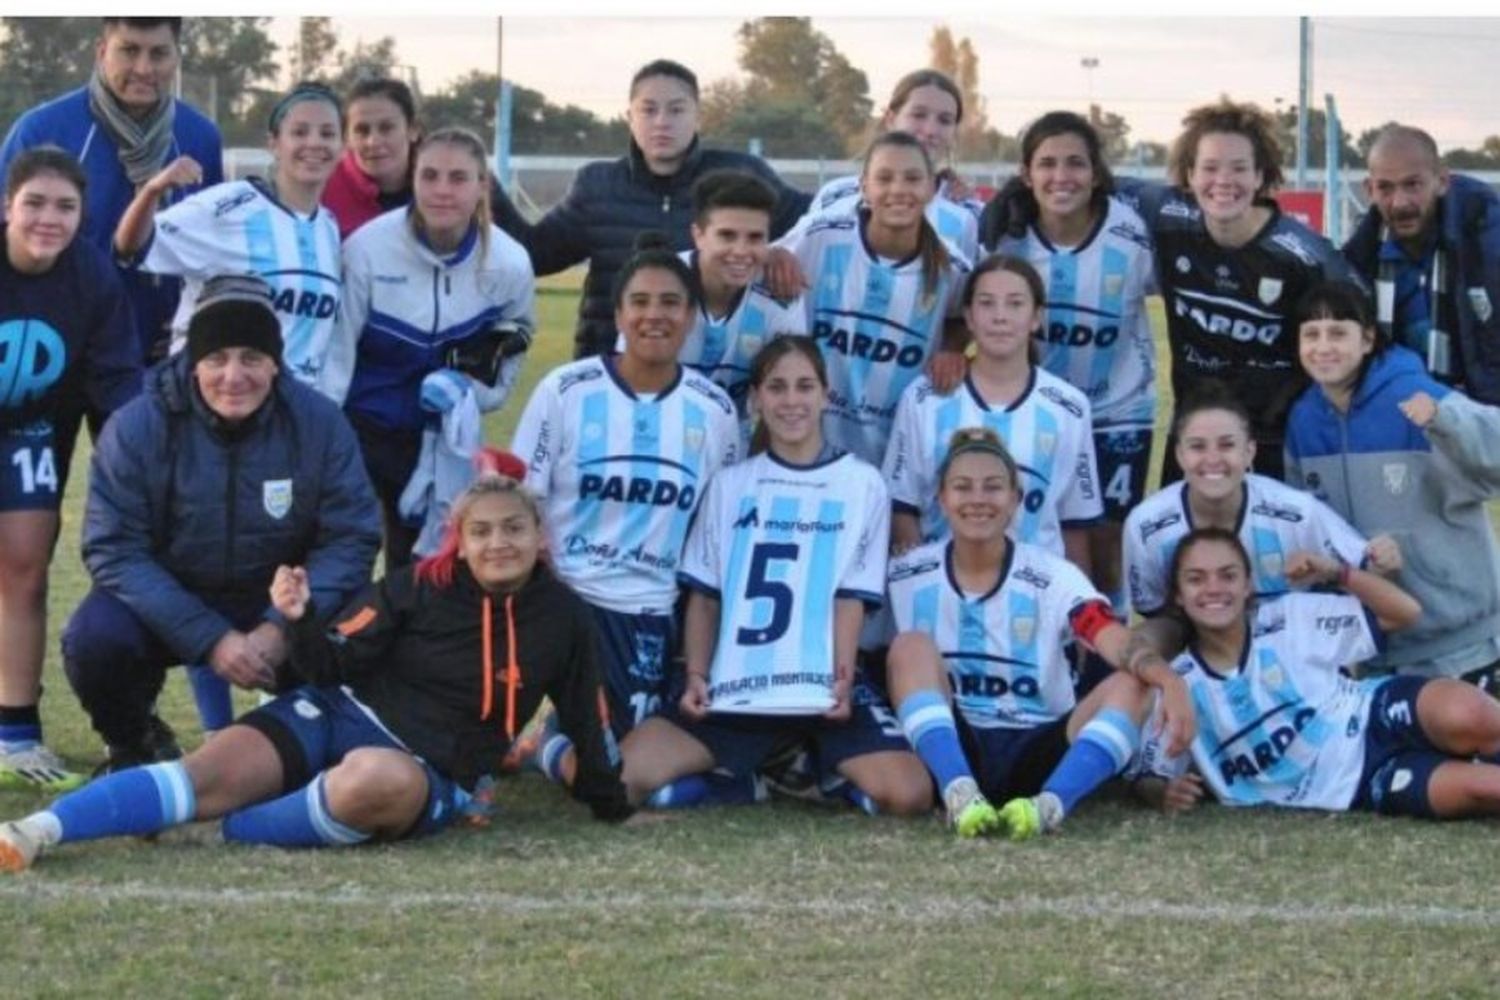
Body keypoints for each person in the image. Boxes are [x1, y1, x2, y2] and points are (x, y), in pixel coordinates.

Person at [0, 462, 632, 873]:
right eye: (483, 532)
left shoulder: (565, 617)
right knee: (205, 772)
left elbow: (582, 713)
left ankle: (240, 827)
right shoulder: (417, 587)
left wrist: (613, 807)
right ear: (458, 541)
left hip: (426, 769)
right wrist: (298, 617)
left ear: (539, 536)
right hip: (337, 714)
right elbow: (333, 662)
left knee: (372, 781)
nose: (500, 544)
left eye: (514, 529)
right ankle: (36, 830)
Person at [59, 274, 380, 773]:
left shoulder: (319, 423)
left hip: (280, 598)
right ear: (192, 363)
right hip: (176, 597)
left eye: (251, 358)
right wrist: (210, 638)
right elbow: (113, 549)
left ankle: (310, 736)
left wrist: (280, 626)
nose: (234, 376)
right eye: (216, 358)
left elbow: (353, 535)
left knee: (362, 623)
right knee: (95, 637)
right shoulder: (137, 426)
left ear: (276, 363)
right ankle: (133, 741)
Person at [620, 336, 932, 817]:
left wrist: (843, 680)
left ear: (825, 395)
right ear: (756, 399)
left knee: (909, 795)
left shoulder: (862, 483)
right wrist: (698, 675)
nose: (791, 401)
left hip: (819, 685)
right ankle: (748, 781)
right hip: (737, 687)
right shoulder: (730, 484)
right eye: (777, 388)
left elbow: (849, 598)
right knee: (624, 779)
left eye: (805, 386)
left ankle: (809, 768)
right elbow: (705, 598)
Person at [885, 428, 1193, 838]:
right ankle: (959, 793)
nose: (978, 499)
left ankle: (1050, 805)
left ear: (1015, 500)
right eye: (963, 487)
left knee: (1133, 684)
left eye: (993, 488)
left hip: (1040, 744)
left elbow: (1109, 636)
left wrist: (1167, 679)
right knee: (909, 647)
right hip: (957, 743)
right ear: (941, 499)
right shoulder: (906, 573)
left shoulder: (1053, 576)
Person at [510, 236, 739, 757]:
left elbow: (713, 530)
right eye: (639, 302)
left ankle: (551, 745)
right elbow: (521, 499)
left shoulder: (715, 412)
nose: (654, 316)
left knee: (625, 754)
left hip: (646, 608)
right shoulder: (566, 391)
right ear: (617, 314)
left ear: (691, 317)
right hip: (562, 597)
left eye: (670, 303)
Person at [1132, 527, 1500, 822]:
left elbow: (1402, 612)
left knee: (1472, 715)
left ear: (1247, 586)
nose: (1214, 589)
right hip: (1358, 783)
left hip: (1374, 713)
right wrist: (1161, 792)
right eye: (1196, 579)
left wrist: (1336, 571)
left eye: (1228, 576)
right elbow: (1150, 773)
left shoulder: (1287, 618)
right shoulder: (1179, 684)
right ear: (1178, 595)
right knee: (1485, 788)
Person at [0, 16, 222, 485]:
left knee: (152, 513)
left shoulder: (200, 137)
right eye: (129, 50)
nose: (144, 67)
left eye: (159, 53)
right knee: (27, 525)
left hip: (150, 361)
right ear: (102, 50)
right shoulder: (41, 129)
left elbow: (208, 248)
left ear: (177, 56)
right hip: (50, 358)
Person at [489, 59, 810, 359]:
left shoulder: (741, 174)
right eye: (649, 110)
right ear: (630, 116)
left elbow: (819, 220)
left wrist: (781, 249)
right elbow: (534, 255)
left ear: (698, 116)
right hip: (609, 370)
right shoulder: (597, 185)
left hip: (707, 378)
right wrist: (483, 186)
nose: (661, 122)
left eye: (676, 110)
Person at [1115, 98, 1360, 483]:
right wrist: (1015, 200)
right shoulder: (1165, 214)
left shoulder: (1306, 256)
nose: (1223, 181)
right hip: (1194, 435)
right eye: (1210, 168)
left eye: (1239, 168)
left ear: (1260, 176)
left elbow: (1363, 328)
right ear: (1189, 174)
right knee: (1181, 542)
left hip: (1276, 441)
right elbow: (1084, 183)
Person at [326, 127, 535, 567]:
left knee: (425, 566)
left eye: (458, 178)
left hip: (439, 439)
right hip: (361, 429)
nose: (442, 191)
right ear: (413, 178)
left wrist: (470, 391)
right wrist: (326, 435)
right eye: (430, 176)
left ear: (483, 186)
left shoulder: (510, 262)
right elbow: (338, 352)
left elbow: (512, 349)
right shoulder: (367, 248)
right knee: (347, 552)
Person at [0, 148, 141, 792]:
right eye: (34, 203)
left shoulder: (90, 276)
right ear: (8, 205)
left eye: (64, 206)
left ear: (82, 216)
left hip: (30, 425)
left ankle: (16, 732)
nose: (47, 218)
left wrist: (133, 457)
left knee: (25, 568)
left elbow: (115, 382)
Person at [1285, 281, 1500, 689]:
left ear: (1367, 339)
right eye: (1311, 334)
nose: (1323, 346)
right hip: (1372, 653)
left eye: (1338, 332)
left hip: (1458, 648)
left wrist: (1445, 421)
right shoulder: (1303, 421)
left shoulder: (1414, 396)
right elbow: (1312, 527)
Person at [979, 111, 1157, 603]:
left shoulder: (1134, 233)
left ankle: (1108, 635)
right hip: (1037, 409)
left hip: (1118, 409)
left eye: (1076, 163)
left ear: (1097, 173)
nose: (1062, 177)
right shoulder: (1002, 237)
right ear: (1026, 174)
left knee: (1107, 538)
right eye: (1048, 163)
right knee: (1032, 525)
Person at [113, 82, 344, 393]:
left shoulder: (328, 228)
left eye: (328, 134)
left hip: (290, 417)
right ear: (274, 144)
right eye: (300, 132)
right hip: (212, 409)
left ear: (342, 146)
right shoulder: (229, 206)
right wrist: (153, 191)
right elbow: (132, 247)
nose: (315, 143)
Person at [883, 254, 1100, 571]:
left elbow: (1075, 523)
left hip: (1038, 594)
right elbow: (903, 506)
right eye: (987, 303)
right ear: (969, 317)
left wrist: (1080, 608)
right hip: (944, 593)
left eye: (1015, 304)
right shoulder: (923, 398)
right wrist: (917, 585)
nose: (1000, 317)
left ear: (1036, 317)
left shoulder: (1070, 407)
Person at [778, 130, 970, 468]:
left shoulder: (951, 267)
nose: (898, 189)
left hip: (890, 454)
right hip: (808, 442)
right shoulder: (821, 234)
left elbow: (963, 316)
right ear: (864, 187)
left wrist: (952, 348)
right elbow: (766, 261)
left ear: (930, 189)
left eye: (912, 178)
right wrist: (770, 258)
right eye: (885, 178)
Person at [1123, 383, 1383, 622]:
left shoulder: (1298, 512)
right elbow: (1152, 610)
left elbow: (1370, 568)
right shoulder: (1146, 525)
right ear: (1179, 454)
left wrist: (1372, 560)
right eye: (1197, 447)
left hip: (1291, 659)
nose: (1213, 459)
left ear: (1250, 451)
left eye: (1227, 445)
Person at [615, 170, 804, 443]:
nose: (741, 251)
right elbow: (629, 385)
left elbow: (788, 395)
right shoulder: (659, 282)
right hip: (655, 441)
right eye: (727, 236)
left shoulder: (780, 293)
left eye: (755, 238)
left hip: (733, 452)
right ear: (698, 235)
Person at [1341, 124, 1500, 404]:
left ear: (1442, 181)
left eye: (1412, 185)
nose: (1400, 202)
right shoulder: (1357, 262)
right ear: (1369, 189)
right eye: (1385, 188)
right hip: (1399, 418)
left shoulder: (1488, 244)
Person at [796, 69, 980, 261]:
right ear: (891, 119)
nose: (930, 130)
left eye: (944, 120)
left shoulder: (968, 214)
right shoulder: (835, 196)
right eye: (918, 115)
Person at [321, 77, 421, 241]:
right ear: (346, 137)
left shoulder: (441, 186)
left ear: (413, 130)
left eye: (386, 128)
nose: (373, 141)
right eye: (362, 130)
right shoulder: (322, 192)